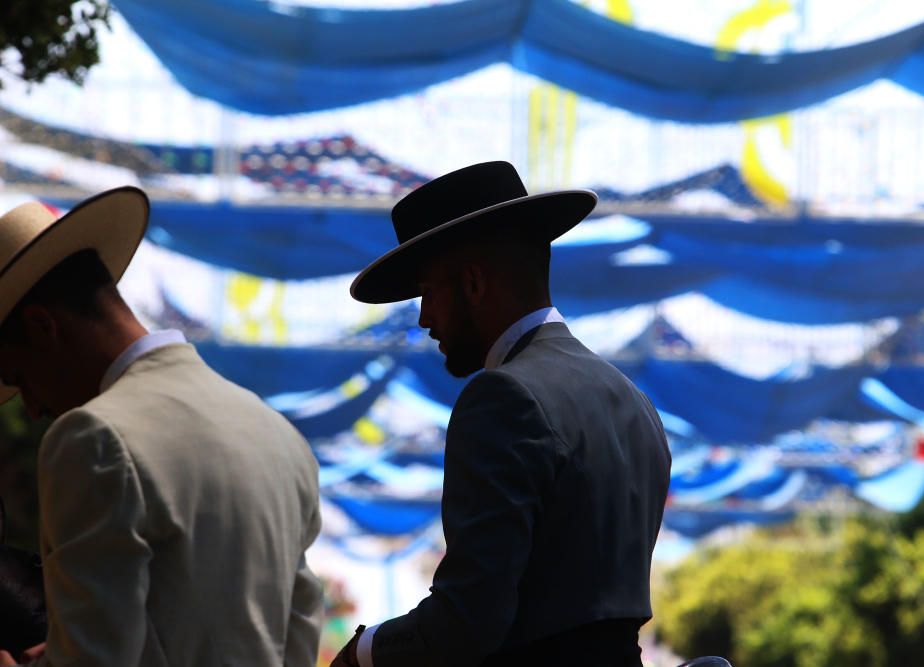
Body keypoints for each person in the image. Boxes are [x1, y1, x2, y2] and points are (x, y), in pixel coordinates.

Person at [333, 161, 671, 667]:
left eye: (429, 293)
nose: (424, 318)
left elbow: (467, 621)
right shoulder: (632, 400)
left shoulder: (502, 397)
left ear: (472, 284)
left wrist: (363, 652)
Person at [0, 188, 323, 666]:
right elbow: (296, 641)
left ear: (44, 327)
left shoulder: (94, 438)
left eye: (20, 378)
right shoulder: (275, 432)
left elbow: (96, 660)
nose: (31, 406)